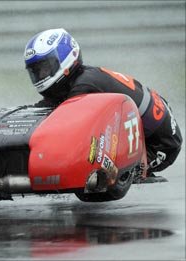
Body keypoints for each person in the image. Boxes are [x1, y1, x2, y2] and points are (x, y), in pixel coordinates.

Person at [23, 28, 182, 179]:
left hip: (159, 144)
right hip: (147, 128)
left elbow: (66, 130)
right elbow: (46, 108)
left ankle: (134, 172)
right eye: (35, 71)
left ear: (65, 59)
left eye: (44, 68)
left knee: (92, 166)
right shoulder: (79, 79)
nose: (40, 75)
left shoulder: (84, 86)